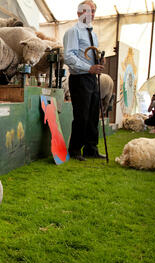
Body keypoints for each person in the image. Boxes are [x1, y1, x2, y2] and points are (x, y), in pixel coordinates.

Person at [63, 0, 106, 161]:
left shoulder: (92, 34)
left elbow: (89, 55)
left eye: (93, 11)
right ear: (79, 13)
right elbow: (68, 56)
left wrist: (99, 62)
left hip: (91, 77)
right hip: (80, 78)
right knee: (82, 115)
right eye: (87, 10)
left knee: (93, 113)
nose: (91, 14)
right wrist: (89, 68)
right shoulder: (73, 32)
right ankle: (74, 150)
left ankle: (91, 148)